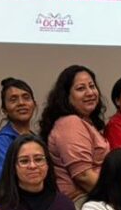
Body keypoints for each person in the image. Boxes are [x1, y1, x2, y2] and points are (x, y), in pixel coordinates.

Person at [40, 65, 110, 198]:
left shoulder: (86, 122)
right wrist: (119, 198)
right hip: (80, 201)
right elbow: (83, 176)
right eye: (81, 88)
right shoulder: (70, 123)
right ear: (66, 96)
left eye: (92, 86)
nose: (90, 93)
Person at [0, 77, 37, 180]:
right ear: (4, 110)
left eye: (26, 98)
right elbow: (4, 179)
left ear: (34, 104)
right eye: (13, 100)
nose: (21, 103)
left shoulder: (36, 138)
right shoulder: (3, 140)